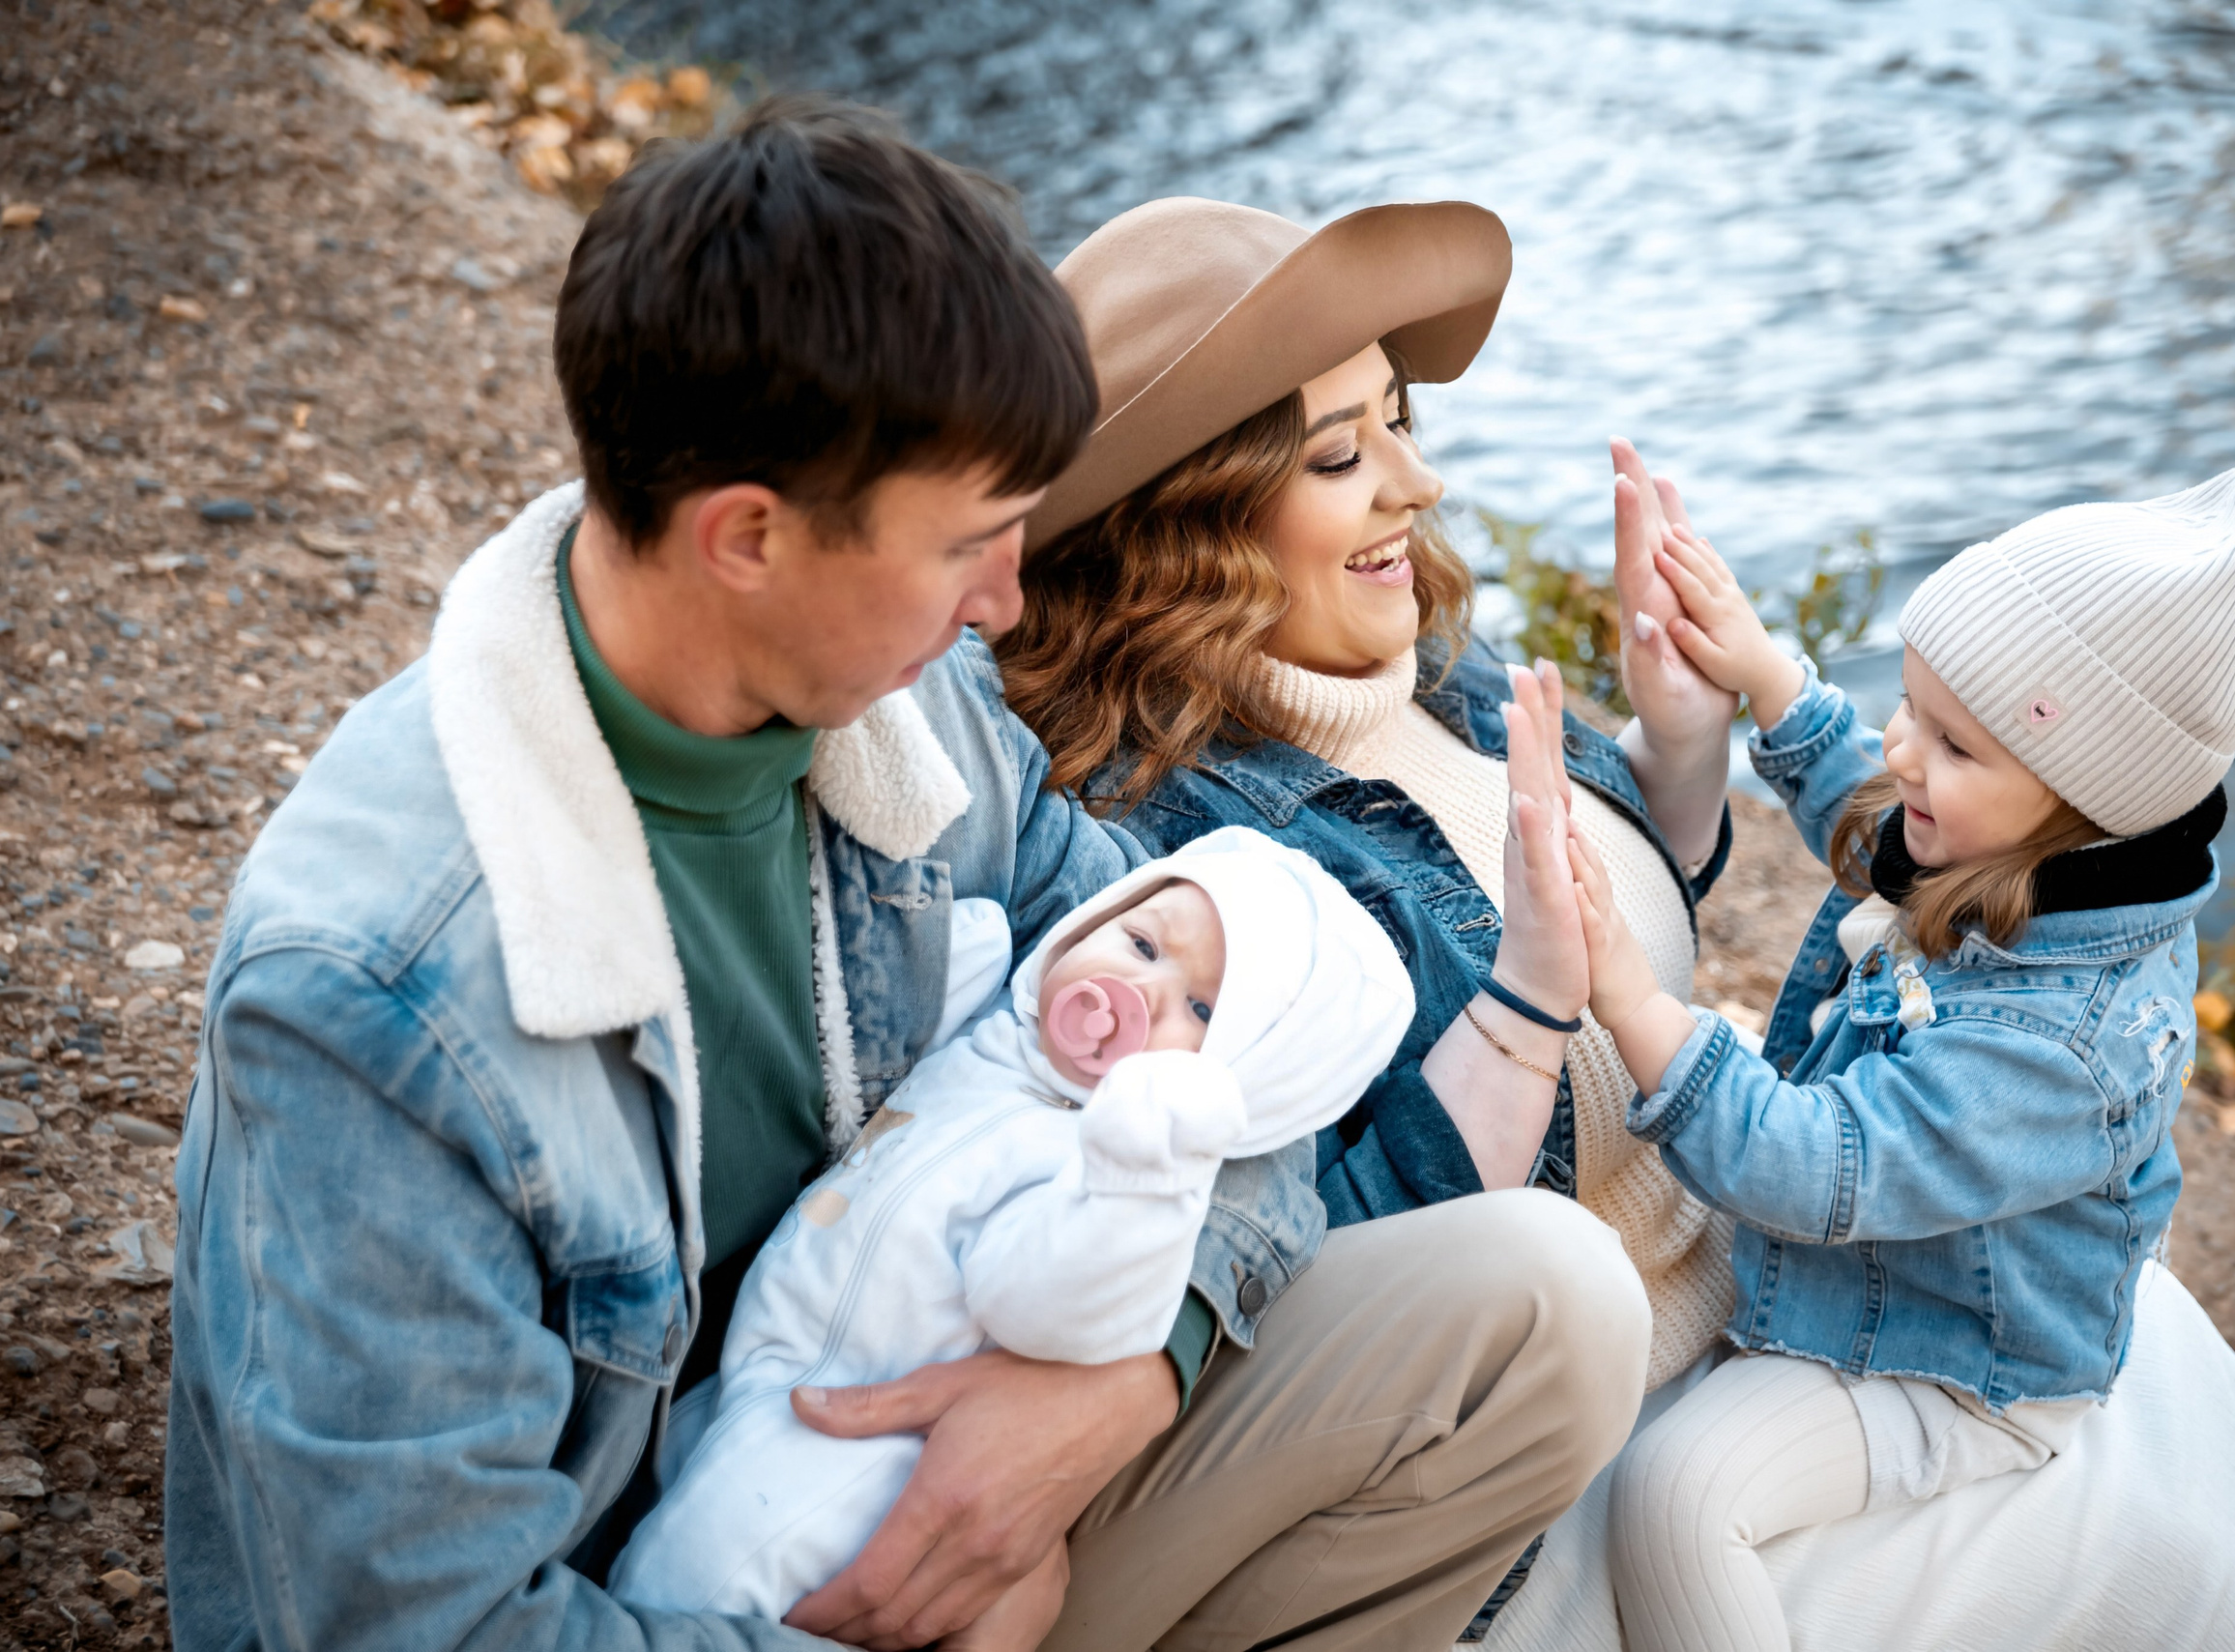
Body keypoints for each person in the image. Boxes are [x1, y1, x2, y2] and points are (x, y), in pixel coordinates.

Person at [165, 102, 1649, 1652]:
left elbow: (1241, 1042)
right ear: (748, 539)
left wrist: (1129, 1366)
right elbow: (424, 1625)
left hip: (952, 1420)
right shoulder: (372, 1000)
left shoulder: (911, 705)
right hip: (685, 1597)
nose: (1008, 603)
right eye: (970, 547)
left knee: (1540, 1303)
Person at [999, 200, 1745, 1442]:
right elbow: (1324, 1273)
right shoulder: (1178, 864)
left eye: (1398, 419)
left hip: (1757, 1289)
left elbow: (1606, 928)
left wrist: (1678, 744)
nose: (1420, 481)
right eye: (1340, 456)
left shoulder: (1422, 659)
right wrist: (1523, 1007)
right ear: (1191, 526)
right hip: (1603, 1443)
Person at [1569, 471, 2235, 1650]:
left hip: (1955, 1355)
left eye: (1951, 740)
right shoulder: (2022, 847)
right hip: (1924, 1251)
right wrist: (1764, 672)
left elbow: (1830, 1170)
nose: (1903, 748)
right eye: (1907, 701)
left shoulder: (2060, 1047)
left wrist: (1633, 998)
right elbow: (1880, 819)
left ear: (2082, 798)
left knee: (1676, 1495)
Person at [610, 830, 1414, 1631]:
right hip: (759, 1365)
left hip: (877, 1440)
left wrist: (1140, 1173)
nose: (1136, 988)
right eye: (1140, 942)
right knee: (622, 1523)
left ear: (1249, 1078)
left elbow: (1041, 1302)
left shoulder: (1121, 1184)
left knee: (695, 1572)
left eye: (1202, 1010)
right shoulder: (1000, 1038)